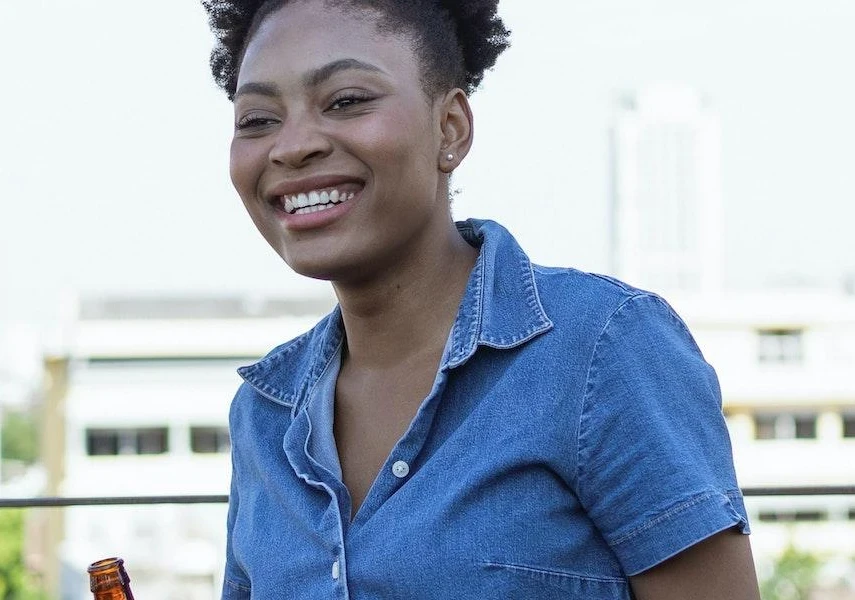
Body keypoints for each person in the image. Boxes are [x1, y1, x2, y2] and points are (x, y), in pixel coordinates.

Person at [202, 0, 761, 598]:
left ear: (451, 129)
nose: (292, 147)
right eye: (258, 119)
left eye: (345, 101)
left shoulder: (602, 350)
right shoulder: (266, 414)